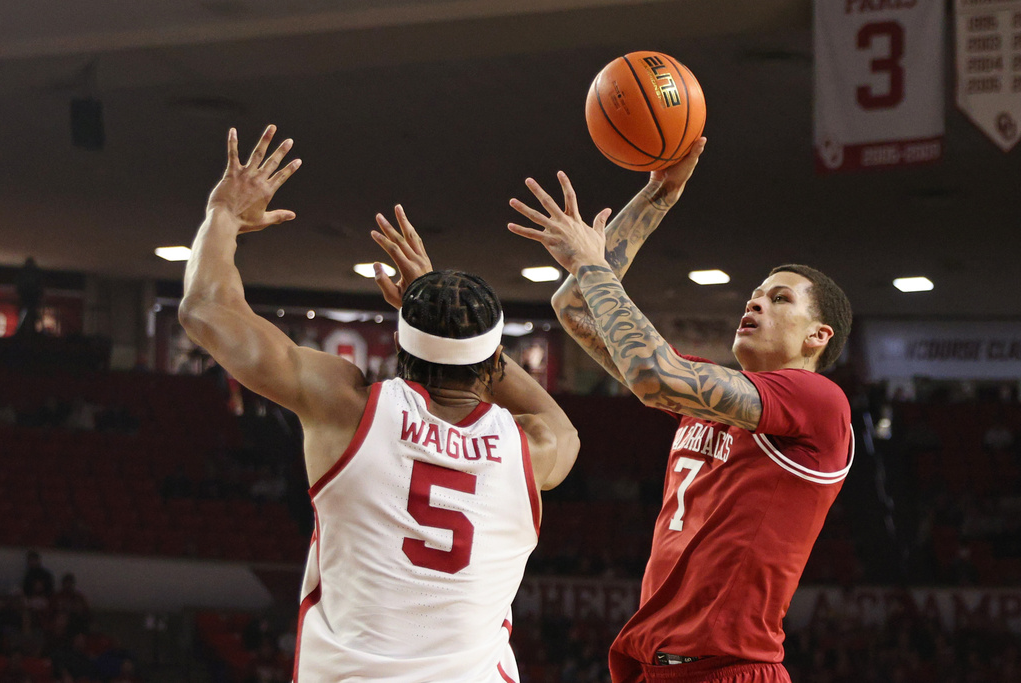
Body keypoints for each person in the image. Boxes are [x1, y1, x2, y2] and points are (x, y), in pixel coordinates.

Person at [178, 126, 580, 683]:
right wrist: (451, 322)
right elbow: (562, 425)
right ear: (492, 364)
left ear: (400, 347)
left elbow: (206, 310)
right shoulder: (533, 449)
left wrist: (223, 212)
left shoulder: (345, 410)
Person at [508, 137, 854, 683]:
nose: (755, 301)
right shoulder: (711, 399)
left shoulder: (818, 401)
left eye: (780, 298)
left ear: (818, 335)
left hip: (732, 670)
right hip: (657, 668)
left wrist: (594, 264)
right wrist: (658, 197)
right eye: (754, 294)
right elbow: (573, 306)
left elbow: (652, 375)